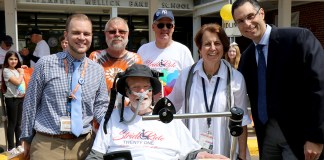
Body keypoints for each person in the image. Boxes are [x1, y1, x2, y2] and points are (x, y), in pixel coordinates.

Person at [232, 0, 324, 159]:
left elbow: (320, 87)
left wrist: (316, 137)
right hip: (266, 139)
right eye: (240, 21)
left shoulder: (298, 39)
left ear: (261, 13)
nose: (247, 23)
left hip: (300, 138)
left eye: (250, 16)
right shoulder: (246, 58)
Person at [86, 64, 229, 160]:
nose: (142, 93)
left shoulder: (167, 118)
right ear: (127, 92)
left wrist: (202, 156)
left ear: (152, 91)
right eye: (136, 87)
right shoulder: (113, 118)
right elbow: (96, 155)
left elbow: (191, 152)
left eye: (146, 86)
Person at [20, 13, 109, 160]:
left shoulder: (97, 70)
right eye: (76, 32)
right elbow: (30, 103)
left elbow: (100, 107)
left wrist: (119, 122)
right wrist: (26, 138)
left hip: (84, 147)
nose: (82, 37)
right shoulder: (45, 64)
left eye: (86, 33)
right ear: (66, 35)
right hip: (47, 146)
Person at [167, 23, 251, 159]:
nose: (212, 48)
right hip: (194, 153)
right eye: (207, 44)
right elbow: (171, 108)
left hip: (224, 152)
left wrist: (241, 156)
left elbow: (243, 121)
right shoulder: (186, 75)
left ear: (224, 47)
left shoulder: (236, 78)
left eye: (217, 43)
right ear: (200, 48)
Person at [138, 9, 194, 97]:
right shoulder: (143, 50)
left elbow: (191, 80)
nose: (165, 28)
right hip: (149, 106)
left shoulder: (183, 51)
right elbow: (137, 78)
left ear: (173, 28)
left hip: (176, 107)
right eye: (160, 25)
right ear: (153, 27)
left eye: (169, 25)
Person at [89, 17, 142, 91]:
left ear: (128, 34)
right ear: (105, 34)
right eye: (112, 32)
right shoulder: (95, 57)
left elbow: (139, 88)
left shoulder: (135, 59)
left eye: (122, 31)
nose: (117, 34)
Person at [2, 51, 25, 151]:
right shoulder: (6, 71)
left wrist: (21, 70)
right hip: (11, 99)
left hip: (20, 98)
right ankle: (11, 147)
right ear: (7, 60)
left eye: (15, 59)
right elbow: (17, 82)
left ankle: (19, 144)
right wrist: (22, 73)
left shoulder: (17, 70)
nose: (13, 61)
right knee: (12, 124)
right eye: (11, 59)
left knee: (19, 123)